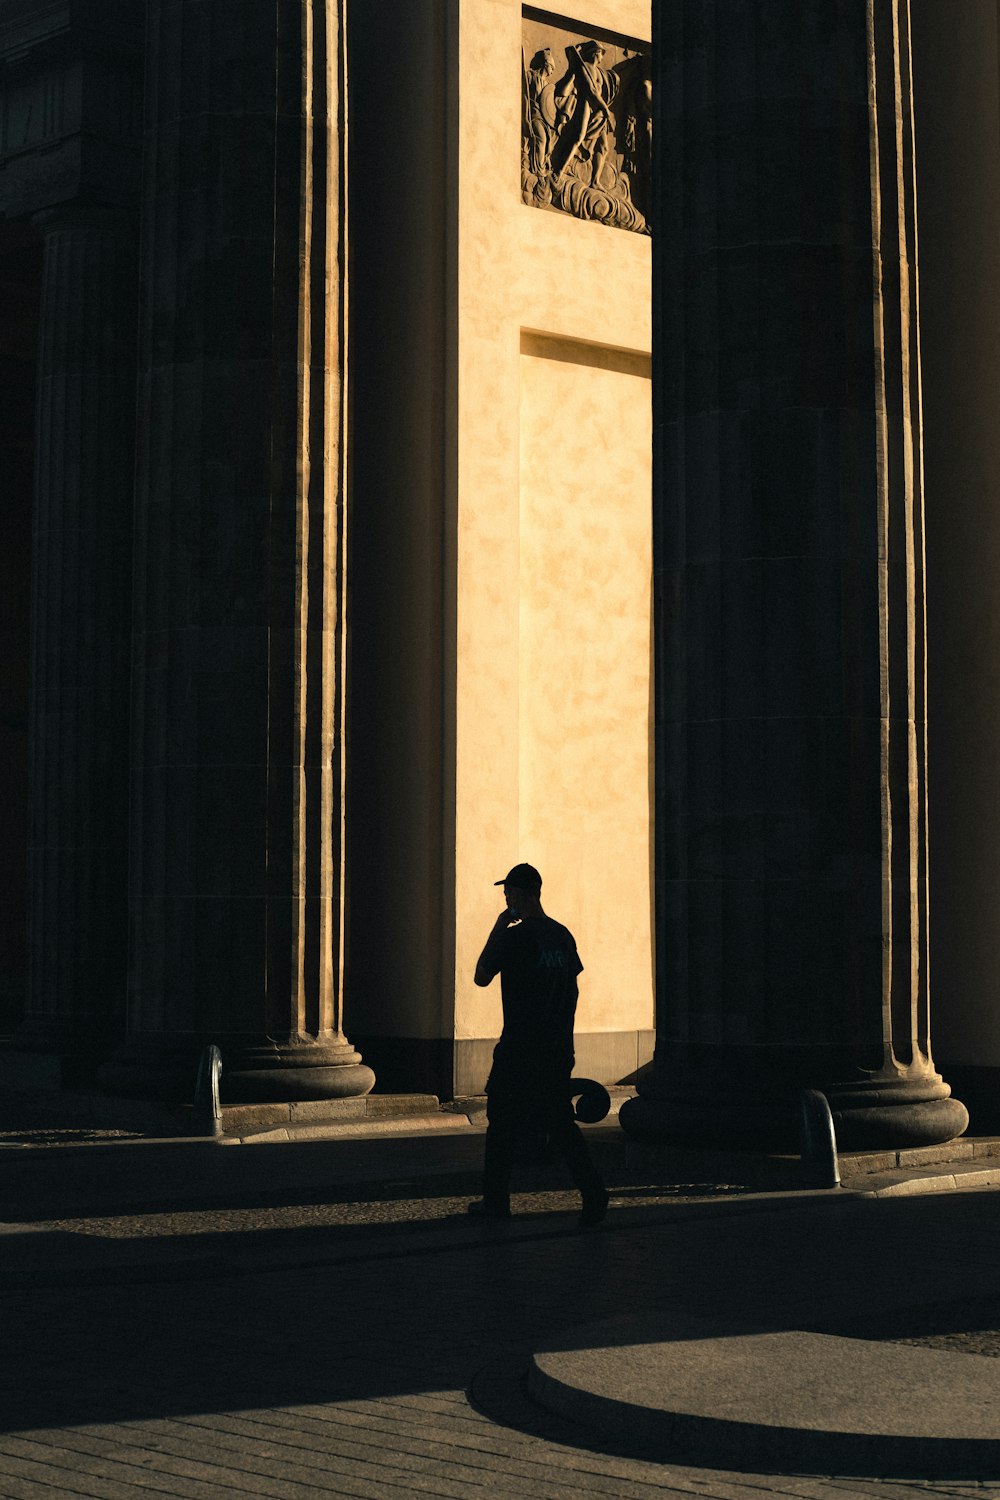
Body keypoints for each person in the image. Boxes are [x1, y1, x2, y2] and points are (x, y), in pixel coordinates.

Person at [468, 863, 609, 1227]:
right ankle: (593, 1191)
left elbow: (481, 976)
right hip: (557, 1047)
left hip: (519, 1048)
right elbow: (571, 987)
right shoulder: (562, 936)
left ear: (518, 896)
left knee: (501, 1126)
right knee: (560, 1123)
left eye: (508, 895)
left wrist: (499, 926)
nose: (506, 899)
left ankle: (495, 1202)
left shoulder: (516, 937)